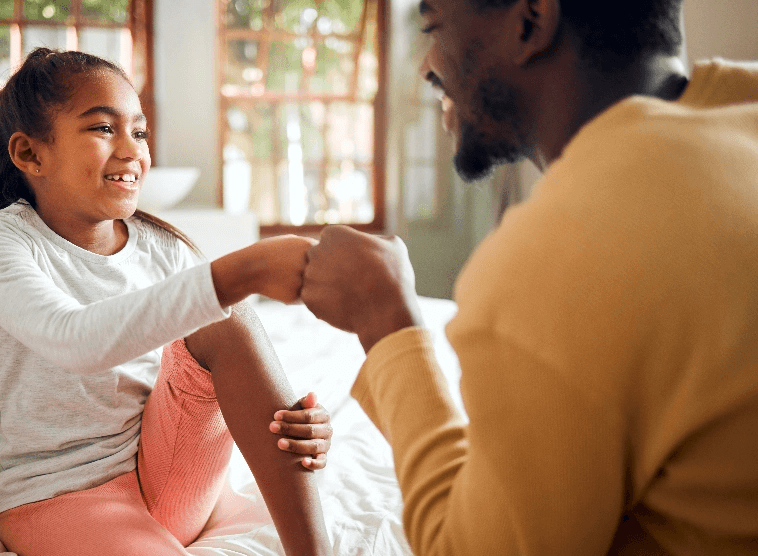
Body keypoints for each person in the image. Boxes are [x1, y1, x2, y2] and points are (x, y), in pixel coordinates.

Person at [301, 0, 758, 554]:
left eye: (433, 27)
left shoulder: (568, 249)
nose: (426, 65)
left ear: (530, 22)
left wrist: (386, 319)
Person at [0, 48, 333, 556]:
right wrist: (248, 269)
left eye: (139, 132)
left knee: (227, 317)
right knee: (221, 298)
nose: (133, 151)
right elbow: (77, 339)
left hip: (172, 475)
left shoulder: (163, 247)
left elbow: (199, 376)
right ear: (29, 154)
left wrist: (291, 423)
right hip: (60, 496)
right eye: (103, 129)